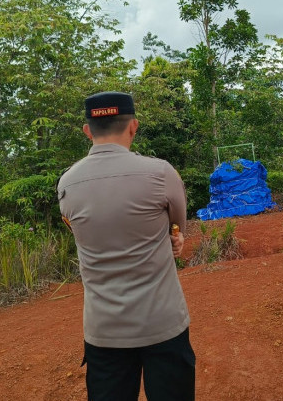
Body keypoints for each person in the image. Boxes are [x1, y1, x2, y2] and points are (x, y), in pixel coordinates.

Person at [57, 91, 195, 401]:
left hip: (104, 331)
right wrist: (176, 239)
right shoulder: (161, 173)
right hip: (163, 324)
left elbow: (81, 233)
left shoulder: (66, 184)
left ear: (88, 130)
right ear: (133, 126)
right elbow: (177, 226)